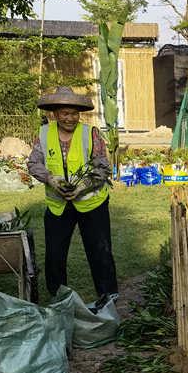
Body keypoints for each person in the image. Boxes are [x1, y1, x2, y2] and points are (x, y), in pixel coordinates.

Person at [27, 86, 119, 303]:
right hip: (58, 205)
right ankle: (59, 297)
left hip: (91, 202)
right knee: (55, 254)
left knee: (100, 250)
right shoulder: (44, 133)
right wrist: (51, 179)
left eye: (74, 113)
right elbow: (33, 163)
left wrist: (82, 186)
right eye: (65, 114)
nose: (70, 118)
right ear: (55, 114)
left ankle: (109, 295)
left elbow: (103, 166)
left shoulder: (91, 134)